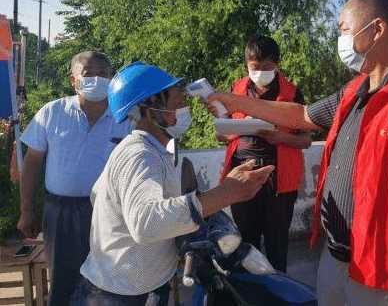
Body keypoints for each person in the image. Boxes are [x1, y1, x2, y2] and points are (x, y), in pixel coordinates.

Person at [208, 0, 388, 306]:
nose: (340, 40)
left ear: (377, 29)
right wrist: (231, 99)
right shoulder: (353, 92)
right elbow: (300, 115)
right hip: (335, 261)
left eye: (344, 29)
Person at [71, 62, 273, 305]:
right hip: (115, 295)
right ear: (149, 108)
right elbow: (145, 223)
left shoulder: (156, 151)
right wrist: (226, 193)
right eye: (177, 105)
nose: (183, 112)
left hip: (142, 286)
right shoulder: (139, 155)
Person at [17, 51, 132, 306]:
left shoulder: (126, 117)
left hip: (111, 212)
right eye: (88, 74)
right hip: (61, 213)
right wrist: (26, 209)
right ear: (74, 80)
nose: (96, 79)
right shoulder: (52, 112)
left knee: (109, 280)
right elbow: (32, 162)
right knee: (64, 282)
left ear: (113, 79)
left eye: (103, 74)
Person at [218, 36, 311, 272]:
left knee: (277, 246)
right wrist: (243, 126)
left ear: (277, 64)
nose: (260, 72)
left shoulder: (292, 94)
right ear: (247, 65)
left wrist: (281, 138)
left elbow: (305, 141)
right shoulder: (236, 91)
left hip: (278, 183)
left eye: (266, 67)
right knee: (246, 246)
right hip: (241, 176)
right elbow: (222, 135)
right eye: (254, 67)